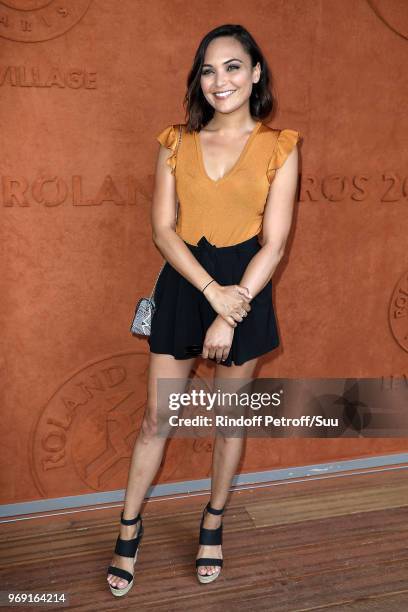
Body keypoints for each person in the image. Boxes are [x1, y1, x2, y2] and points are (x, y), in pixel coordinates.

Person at [107, 23, 301, 596]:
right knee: (155, 419)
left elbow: (275, 243)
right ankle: (128, 525)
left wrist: (229, 307)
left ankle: (212, 523)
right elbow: (163, 232)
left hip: (245, 290)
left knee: (228, 420)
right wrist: (209, 295)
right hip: (185, 286)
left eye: (233, 66)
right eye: (209, 70)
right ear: (199, 80)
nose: (221, 80)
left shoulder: (280, 146)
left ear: (256, 72)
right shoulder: (175, 142)